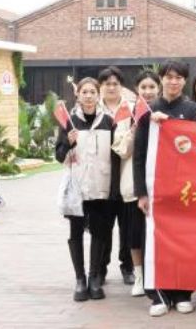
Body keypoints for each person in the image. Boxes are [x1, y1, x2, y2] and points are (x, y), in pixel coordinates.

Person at [142, 60, 196, 317]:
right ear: (161, 79)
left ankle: (183, 293)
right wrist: (141, 192)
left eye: (178, 77)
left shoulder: (194, 110)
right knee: (156, 240)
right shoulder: (149, 109)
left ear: (184, 81)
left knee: (185, 241)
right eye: (169, 77)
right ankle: (158, 294)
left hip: (186, 189)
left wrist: (171, 125)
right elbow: (139, 154)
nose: (173, 81)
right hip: (156, 188)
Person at [55, 77, 116, 302]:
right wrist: (68, 142)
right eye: (84, 92)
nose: (89, 96)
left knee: (99, 233)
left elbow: (116, 152)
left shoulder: (108, 121)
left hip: (101, 187)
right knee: (76, 232)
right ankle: (80, 279)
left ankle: (94, 278)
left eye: (92, 92)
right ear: (78, 95)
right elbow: (59, 156)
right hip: (77, 189)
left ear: (98, 95)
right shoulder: (69, 122)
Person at [114, 70, 160, 297]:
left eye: (152, 87)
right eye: (143, 87)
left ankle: (157, 275)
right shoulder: (127, 114)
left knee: (157, 233)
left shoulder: (164, 112)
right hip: (134, 185)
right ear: (137, 90)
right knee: (134, 234)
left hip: (160, 185)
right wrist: (133, 131)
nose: (148, 92)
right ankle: (139, 276)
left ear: (159, 89)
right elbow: (121, 150)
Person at [97, 66, 135, 287]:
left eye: (115, 83)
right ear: (101, 87)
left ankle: (127, 267)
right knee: (103, 228)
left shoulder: (131, 109)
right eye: (107, 84)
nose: (111, 87)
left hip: (125, 174)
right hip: (102, 179)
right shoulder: (93, 108)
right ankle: (100, 269)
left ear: (121, 86)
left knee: (127, 227)